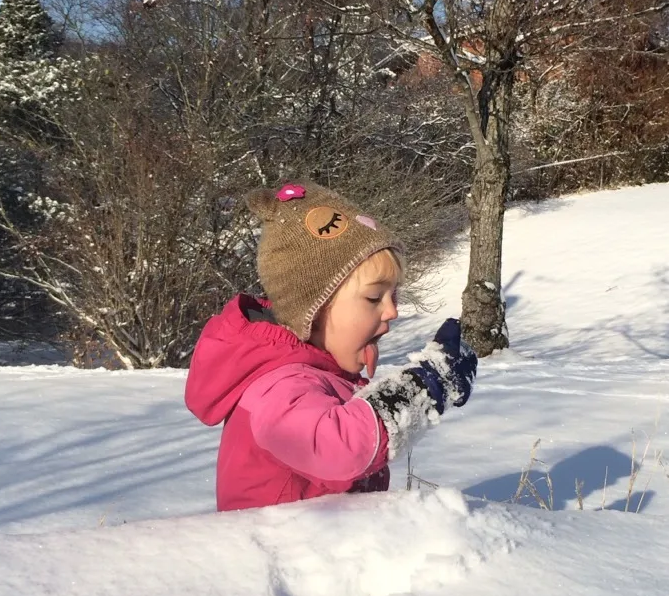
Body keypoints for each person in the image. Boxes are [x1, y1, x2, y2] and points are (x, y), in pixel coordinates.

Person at [185, 181, 478, 511]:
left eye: (394, 294)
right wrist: (421, 388)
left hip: (319, 555)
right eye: (373, 297)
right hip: (280, 559)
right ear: (312, 309)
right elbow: (339, 448)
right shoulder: (278, 386)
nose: (393, 310)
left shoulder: (309, 375)